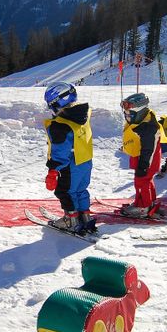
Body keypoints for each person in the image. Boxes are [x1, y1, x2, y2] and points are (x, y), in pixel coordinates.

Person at [42, 82, 96, 234]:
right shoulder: (83, 114)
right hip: (85, 162)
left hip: (70, 165)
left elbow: (60, 152)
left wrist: (53, 170)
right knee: (80, 190)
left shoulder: (60, 126)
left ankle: (71, 220)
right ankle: (85, 216)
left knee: (64, 191)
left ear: (56, 103)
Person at [119, 93, 167, 218]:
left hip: (147, 160)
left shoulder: (148, 127)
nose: (126, 112)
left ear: (138, 108)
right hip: (143, 157)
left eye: (128, 107)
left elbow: (148, 149)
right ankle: (148, 202)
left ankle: (143, 207)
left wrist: (144, 165)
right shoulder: (142, 120)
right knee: (146, 180)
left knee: (141, 181)